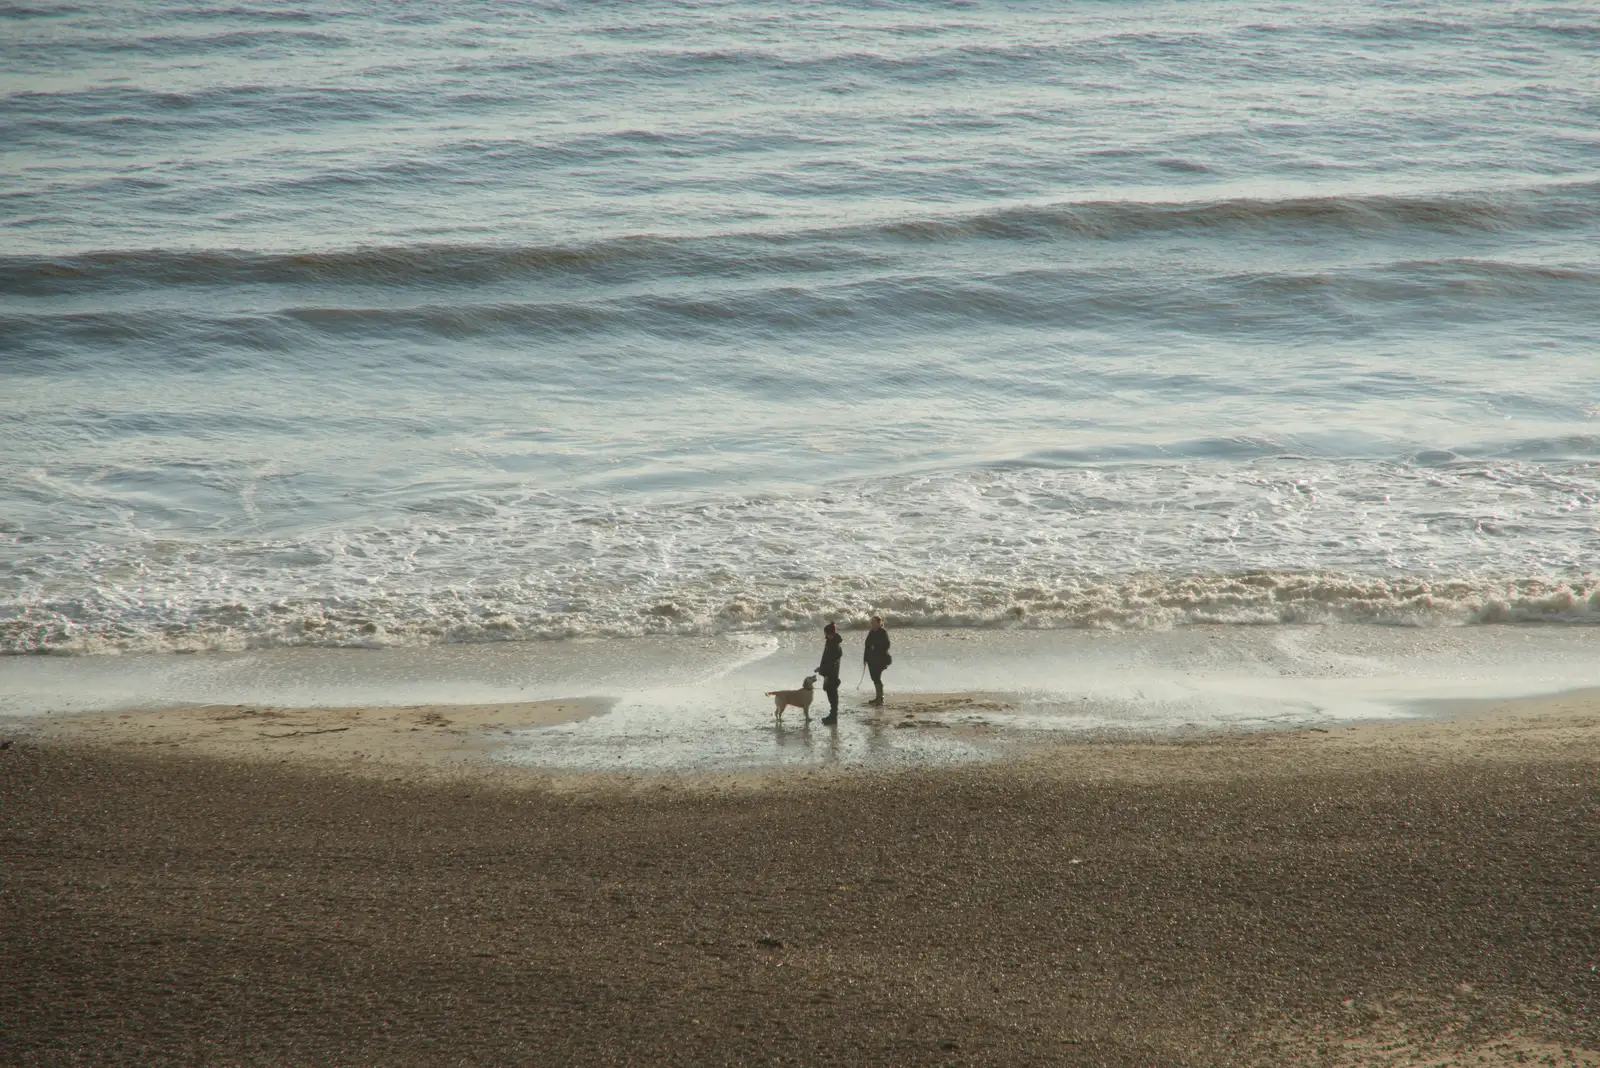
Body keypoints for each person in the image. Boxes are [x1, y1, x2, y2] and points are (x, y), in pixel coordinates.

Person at [815, 621, 843, 725]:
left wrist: (824, 671)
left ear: (831, 633)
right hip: (828, 673)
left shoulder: (835, 646)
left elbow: (831, 663)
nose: (825, 635)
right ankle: (832, 715)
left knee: (832, 694)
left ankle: (833, 716)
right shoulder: (831, 643)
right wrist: (821, 668)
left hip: (832, 674)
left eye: (826, 633)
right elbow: (826, 660)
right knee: (830, 693)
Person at [864, 615, 892, 705]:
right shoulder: (871, 632)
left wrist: (875, 648)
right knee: (874, 677)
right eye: (871, 622)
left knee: (876, 676)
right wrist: (865, 658)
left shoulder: (883, 632)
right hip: (871, 659)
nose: (872, 623)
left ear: (879, 623)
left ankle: (880, 697)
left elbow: (887, 645)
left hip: (880, 659)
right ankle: (879, 696)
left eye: (874, 622)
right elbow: (867, 645)